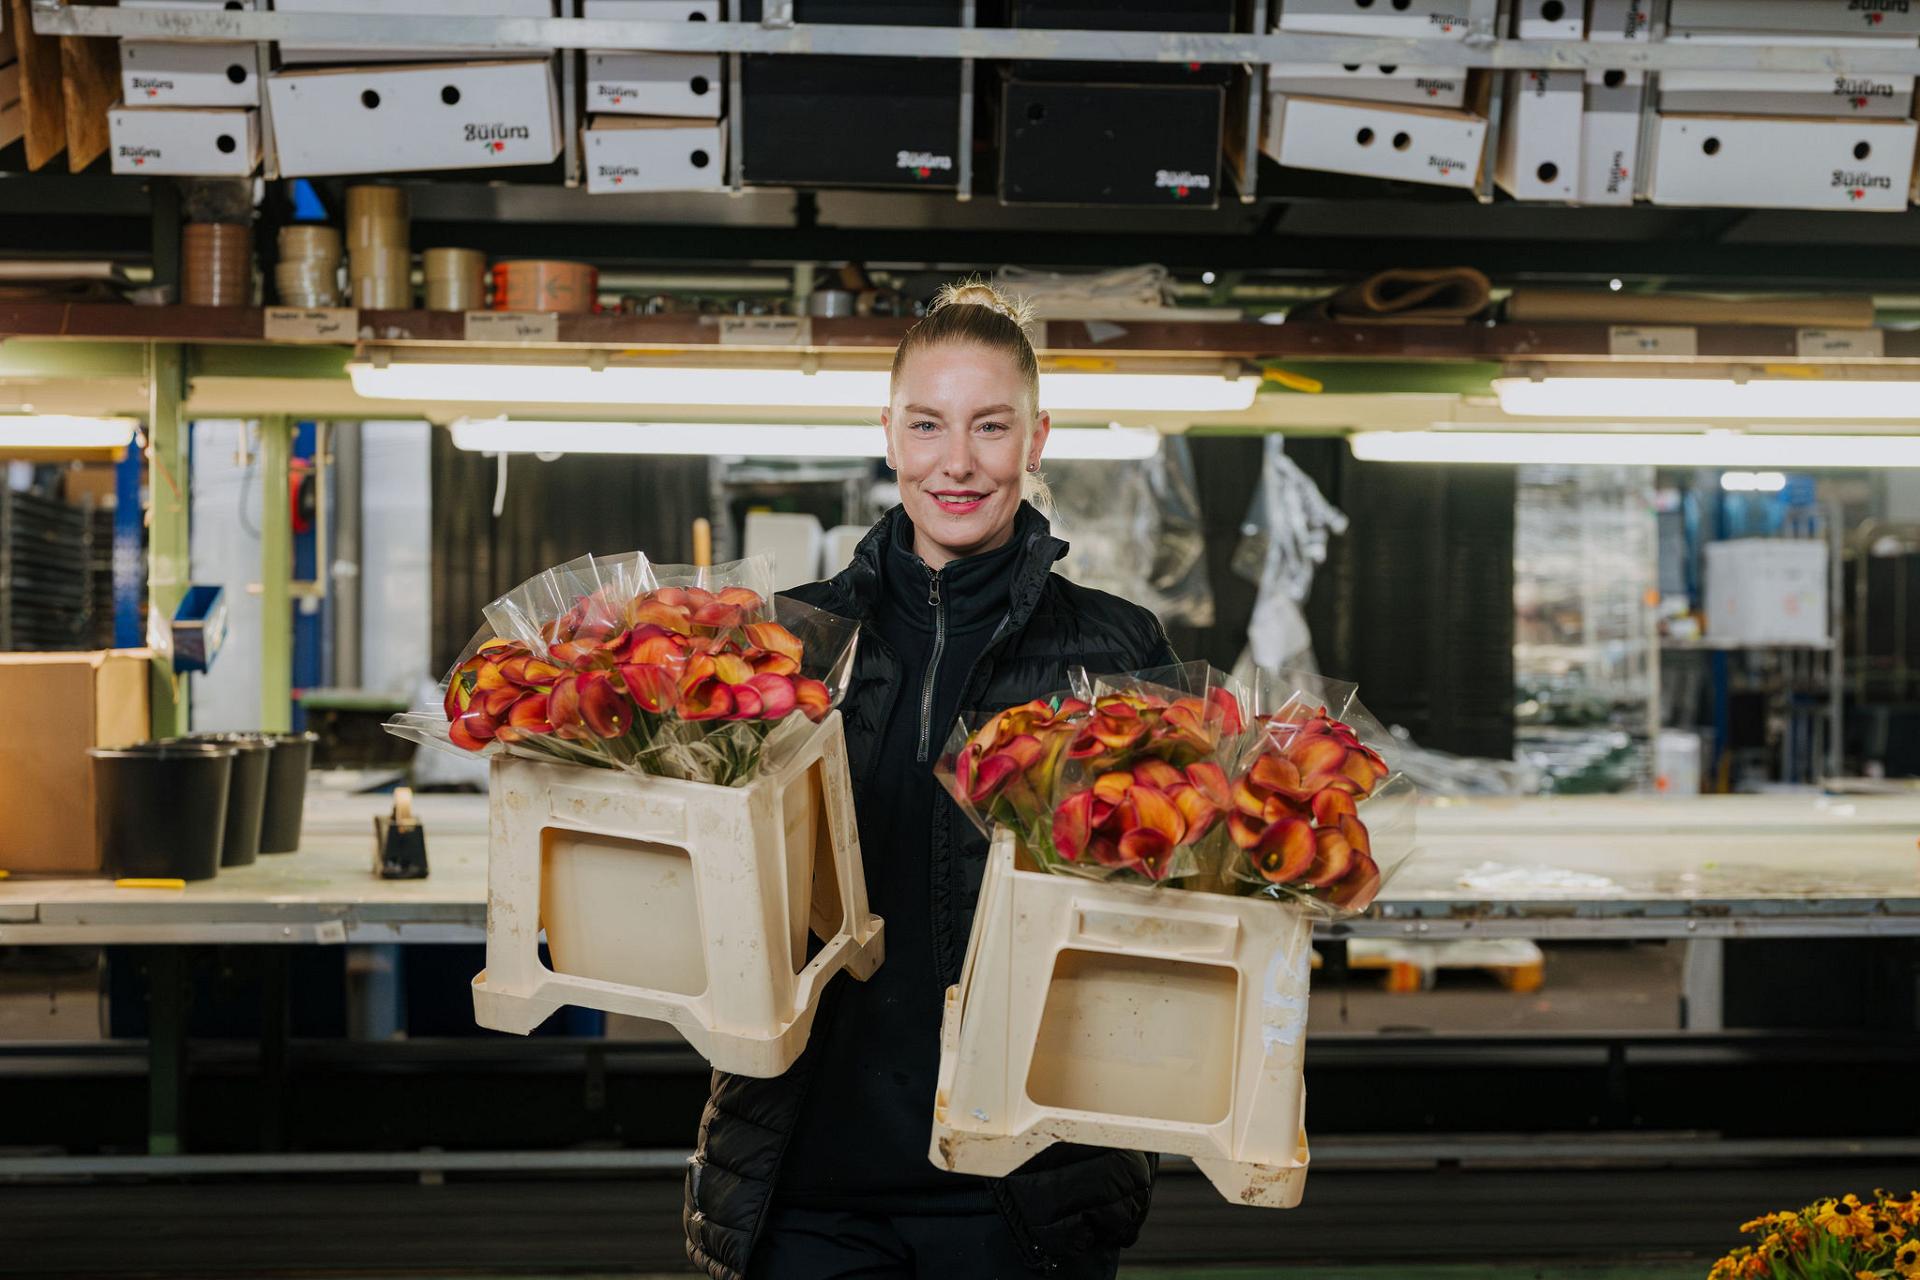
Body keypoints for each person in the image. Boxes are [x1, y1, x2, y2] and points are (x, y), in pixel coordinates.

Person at [683, 282, 1179, 1280]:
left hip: (1025, 1191)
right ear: (889, 434)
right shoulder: (787, 643)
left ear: (1036, 439)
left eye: (991, 426)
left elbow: (1159, 923)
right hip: (807, 1185)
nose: (958, 461)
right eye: (929, 424)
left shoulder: (1117, 651)